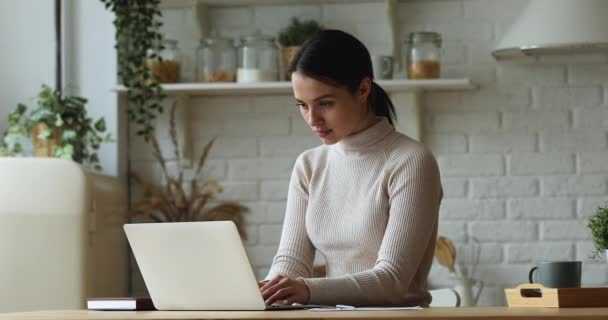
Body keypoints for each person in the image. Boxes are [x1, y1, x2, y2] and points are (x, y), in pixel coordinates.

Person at [259, 29, 442, 307]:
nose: (312, 118)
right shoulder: (309, 165)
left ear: (363, 89)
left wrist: (306, 290)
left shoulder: (410, 160)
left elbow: (391, 281)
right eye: (302, 105)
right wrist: (266, 292)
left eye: (325, 103)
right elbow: (291, 262)